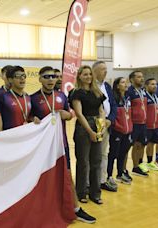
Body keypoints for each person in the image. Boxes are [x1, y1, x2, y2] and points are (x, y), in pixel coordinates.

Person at [31, 66, 95, 223]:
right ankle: (44, 209)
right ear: (40, 79)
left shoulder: (61, 96)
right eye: (46, 77)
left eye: (53, 77)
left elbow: (70, 114)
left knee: (67, 176)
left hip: (61, 145)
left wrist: (67, 115)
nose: (51, 79)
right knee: (42, 179)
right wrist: (32, 119)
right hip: (42, 147)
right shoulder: (32, 98)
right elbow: (28, 118)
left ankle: (76, 208)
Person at [69, 65, 105, 205]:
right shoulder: (76, 92)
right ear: (79, 76)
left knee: (96, 161)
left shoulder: (96, 92)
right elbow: (79, 113)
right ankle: (81, 192)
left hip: (97, 124)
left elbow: (101, 111)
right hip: (84, 128)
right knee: (83, 162)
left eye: (90, 74)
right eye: (85, 74)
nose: (88, 77)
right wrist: (90, 131)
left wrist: (100, 129)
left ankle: (95, 193)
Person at [92, 61, 117, 192]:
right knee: (93, 154)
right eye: (102, 69)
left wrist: (110, 119)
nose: (105, 71)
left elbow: (113, 104)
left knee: (103, 154)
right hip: (95, 122)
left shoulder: (107, 85)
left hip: (106, 123)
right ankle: (90, 182)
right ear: (94, 71)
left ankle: (102, 180)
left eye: (106, 69)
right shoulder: (90, 86)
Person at [108, 77, 133, 185]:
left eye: (126, 82)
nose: (126, 84)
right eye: (123, 82)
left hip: (127, 131)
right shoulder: (113, 98)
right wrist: (116, 126)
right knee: (113, 154)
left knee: (123, 154)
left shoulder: (127, 98)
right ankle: (108, 175)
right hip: (117, 131)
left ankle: (120, 174)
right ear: (117, 86)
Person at [127, 70, 149, 177]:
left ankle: (139, 165)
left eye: (142, 76)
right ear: (132, 79)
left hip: (143, 123)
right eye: (139, 77)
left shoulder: (143, 91)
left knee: (140, 145)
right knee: (134, 145)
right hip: (134, 123)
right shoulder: (129, 91)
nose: (142, 78)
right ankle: (133, 167)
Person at [0, 66, 32, 130]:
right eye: (18, 76)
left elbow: (29, 116)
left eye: (24, 76)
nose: (22, 78)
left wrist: (33, 119)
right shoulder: (2, 97)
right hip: (9, 137)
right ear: (10, 80)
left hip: (25, 135)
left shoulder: (27, 97)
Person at [144, 78, 158, 171]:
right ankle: (140, 163)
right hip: (147, 126)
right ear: (146, 86)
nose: (154, 86)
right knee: (143, 145)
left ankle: (150, 162)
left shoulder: (156, 96)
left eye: (155, 84)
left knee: (152, 144)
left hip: (156, 125)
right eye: (152, 84)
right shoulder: (144, 97)